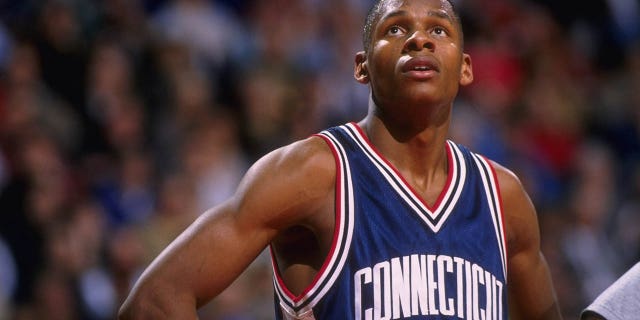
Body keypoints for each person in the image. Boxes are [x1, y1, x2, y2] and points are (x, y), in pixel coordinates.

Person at [118, 0, 563, 319]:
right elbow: (156, 298)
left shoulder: (503, 198)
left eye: (439, 30)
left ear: (466, 68)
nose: (419, 40)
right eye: (395, 29)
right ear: (362, 67)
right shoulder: (313, 173)